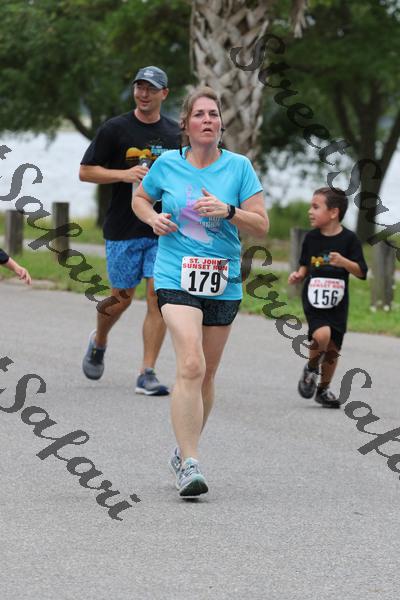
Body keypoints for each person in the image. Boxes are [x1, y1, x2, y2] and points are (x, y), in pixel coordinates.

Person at [132, 86, 269, 497]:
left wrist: (229, 211)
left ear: (221, 123)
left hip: (222, 280)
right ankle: (191, 464)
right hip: (175, 275)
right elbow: (141, 199)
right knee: (190, 363)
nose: (207, 120)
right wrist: (152, 218)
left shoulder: (239, 167)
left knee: (207, 373)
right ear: (186, 124)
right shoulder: (167, 164)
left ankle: (182, 450)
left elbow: (261, 225)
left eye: (213, 114)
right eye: (199, 114)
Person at [79, 66, 181, 395]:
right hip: (123, 228)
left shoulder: (175, 134)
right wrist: (123, 175)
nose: (144, 93)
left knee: (157, 298)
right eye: (139, 87)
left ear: (164, 93)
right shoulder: (115, 129)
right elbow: (85, 172)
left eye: (151, 88)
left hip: (162, 228)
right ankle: (99, 340)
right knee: (121, 299)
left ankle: (146, 372)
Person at [288, 187, 368, 409]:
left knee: (333, 349)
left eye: (315, 207)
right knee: (322, 335)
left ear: (333, 212)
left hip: (338, 301)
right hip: (314, 296)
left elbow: (362, 271)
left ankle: (323, 390)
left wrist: (344, 262)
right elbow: (304, 263)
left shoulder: (350, 239)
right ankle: (312, 368)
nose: (310, 211)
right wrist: (299, 275)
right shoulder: (311, 238)